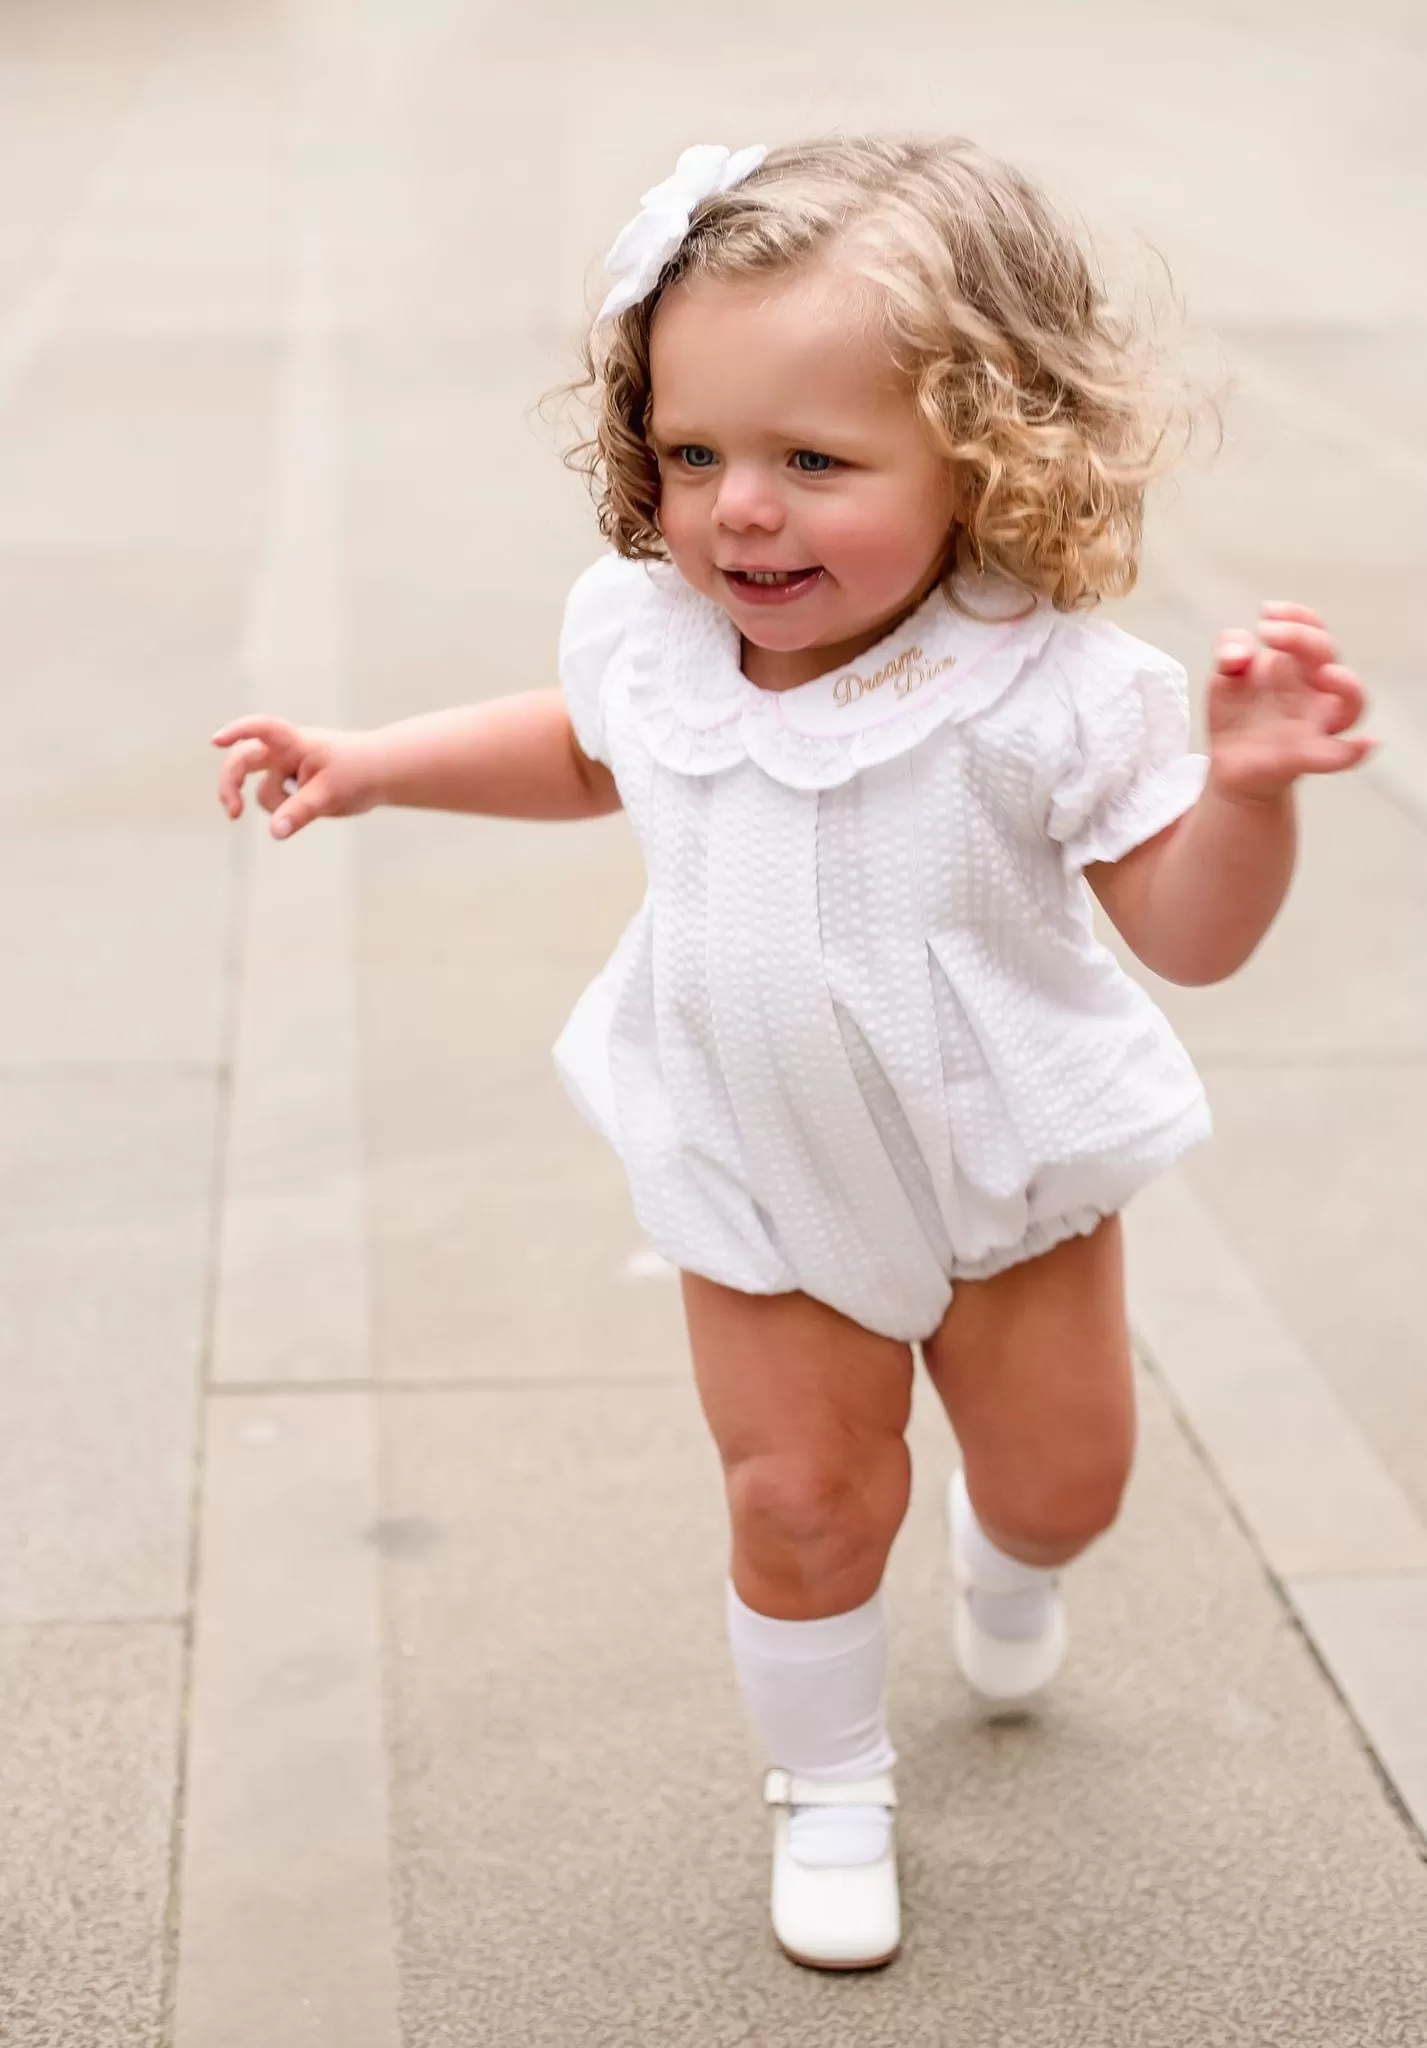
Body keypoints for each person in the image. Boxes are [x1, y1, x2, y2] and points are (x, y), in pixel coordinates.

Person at [213, 136, 1373, 1973]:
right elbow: (589, 752)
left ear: (984, 458)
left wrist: (1242, 795)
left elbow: (1189, 938)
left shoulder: (1052, 689)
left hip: (999, 1174)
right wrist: (375, 760)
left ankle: (1012, 1561)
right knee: (801, 1496)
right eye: (693, 455)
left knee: (1063, 1487)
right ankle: (827, 1786)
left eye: (813, 464)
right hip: (753, 1158)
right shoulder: (656, 641)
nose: (739, 512)